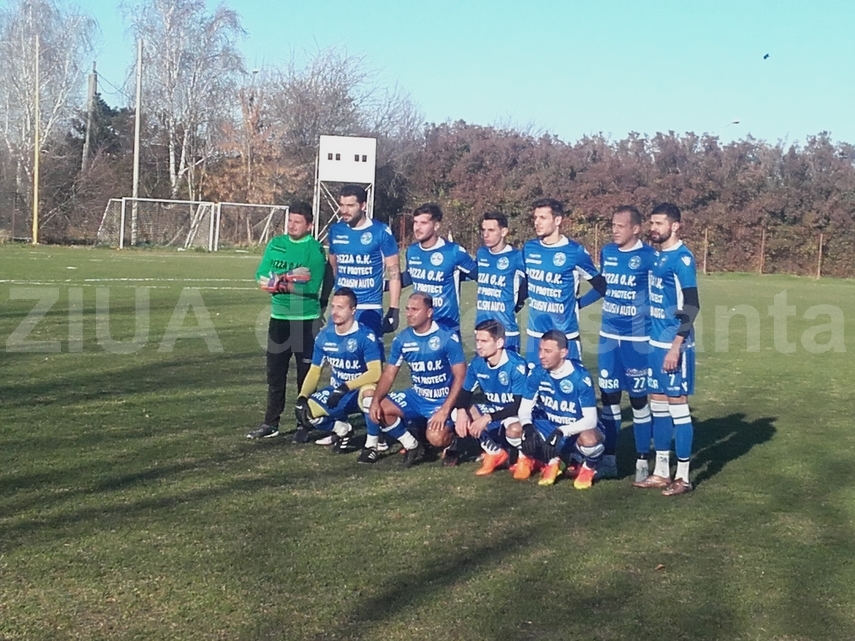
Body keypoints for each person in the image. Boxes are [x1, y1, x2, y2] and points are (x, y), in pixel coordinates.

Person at [578, 205, 656, 481]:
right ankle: (608, 458)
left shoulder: (649, 257)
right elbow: (605, 288)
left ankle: (642, 461)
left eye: (620, 226)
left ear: (636, 228)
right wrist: (578, 304)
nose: (614, 230)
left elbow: (660, 295)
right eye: (612, 225)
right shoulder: (608, 253)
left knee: (638, 402)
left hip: (637, 340)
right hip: (609, 338)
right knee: (609, 399)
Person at [633, 203, 700, 496]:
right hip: (655, 344)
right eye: (652, 222)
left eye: (659, 223)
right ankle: (661, 472)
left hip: (675, 345)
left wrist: (676, 346)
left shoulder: (682, 259)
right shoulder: (657, 256)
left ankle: (683, 477)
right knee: (658, 407)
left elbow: (692, 305)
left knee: (678, 407)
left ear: (676, 226)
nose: (654, 228)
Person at [247, 202, 328, 440]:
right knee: (275, 373)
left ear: (309, 225)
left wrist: (277, 283)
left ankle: (306, 422)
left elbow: (311, 287)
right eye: (290, 220)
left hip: (305, 321)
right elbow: (261, 278)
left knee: (305, 375)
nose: (292, 225)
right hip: (279, 319)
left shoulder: (314, 249)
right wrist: (288, 279)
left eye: (298, 221)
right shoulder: (276, 244)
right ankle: (271, 423)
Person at [364, 292, 467, 466]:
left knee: (436, 438)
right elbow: (389, 374)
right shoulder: (402, 339)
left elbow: (461, 375)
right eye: (407, 309)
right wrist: (375, 399)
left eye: (415, 309)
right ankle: (411, 444)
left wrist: (444, 410)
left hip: (440, 400)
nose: (409, 314)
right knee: (376, 409)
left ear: (429, 312)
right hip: (416, 396)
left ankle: (451, 443)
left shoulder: (447, 338)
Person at [506, 329, 605, 488]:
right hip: (548, 424)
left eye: (548, 351)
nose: (541, 356)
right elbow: (524, 408)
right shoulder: (537, 373)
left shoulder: (580, 377)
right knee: (513, 431)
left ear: (563, 352)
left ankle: (588, 468)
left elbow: (591, 419)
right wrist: (528, 426)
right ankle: (551, 462)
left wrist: (561, 432)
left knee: (590, 441)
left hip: (575, 428)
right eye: (540, 350)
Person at [291, 287, 382, 450]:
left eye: (340, 307)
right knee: (305, 413)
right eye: (333, 306)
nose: (335, 311)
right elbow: (314, 371)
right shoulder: (324, 336)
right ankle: (342, 430)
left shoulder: (366, 336)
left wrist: (346, 386)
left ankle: (374, 442)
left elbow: (376, 372)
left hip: (359, 390)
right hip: (337, 391)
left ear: (353, 310)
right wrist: (303, 396)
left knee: (369, 395)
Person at [523, 198, 606, 368]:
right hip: (535, 335)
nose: (537, 223)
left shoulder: (574, 252)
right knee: (534, 389)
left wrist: (578, 304)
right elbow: (525, 281)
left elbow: (601, 287)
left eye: (542, 218)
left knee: (567, 389)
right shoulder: (529, 248)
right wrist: (518, 301)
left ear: (558, 220)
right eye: (535, 218)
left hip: (564, 335)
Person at [327, 184, 402, 340]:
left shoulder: (381, 231)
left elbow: (394, 273)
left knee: (370, 360)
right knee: (338, 358)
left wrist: (394, 308)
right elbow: (333, 266)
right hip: (341, 308)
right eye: (342, 205)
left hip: (369, 308)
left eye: (350, 205)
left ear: (363, 206)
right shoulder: (335, 230)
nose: (344, 210)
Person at [454, 319, 528, 475]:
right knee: (459, 412)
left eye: (484, 341)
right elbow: (465, 393)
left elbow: (519, 405)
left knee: (514, 430)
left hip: (516, 413)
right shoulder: (477, 363)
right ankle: (494, 452)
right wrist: (461, 411)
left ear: (499, 342)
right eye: (477, 340)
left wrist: (487, 417)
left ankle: (524, 458)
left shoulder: (516, 366)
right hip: (494, 409)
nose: (479, 345)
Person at [403, 203, 477, 336]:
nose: (417, 228)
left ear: (436, 226)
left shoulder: (453, 252)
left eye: (423, 223)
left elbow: (478, 275)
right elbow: (409, 277)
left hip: (447, 326)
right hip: (420, 326)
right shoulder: (412, 251)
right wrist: (382, 284)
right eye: (415, 222)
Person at [475, 211, 527, 353]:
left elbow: (531, 280)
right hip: (482, 330)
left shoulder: (516, 257)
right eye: (483, 230)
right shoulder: (481, 253)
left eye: (491, 230)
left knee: (508, 374)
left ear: (503, 232)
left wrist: (520, 301)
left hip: (506, 331)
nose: (485, 234)